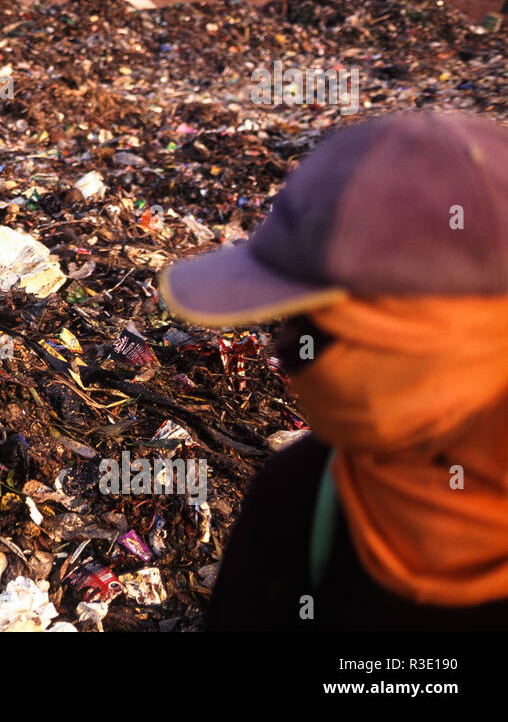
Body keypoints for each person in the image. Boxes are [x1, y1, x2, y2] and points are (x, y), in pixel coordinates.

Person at [158, 109, 508, 630]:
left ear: (437, 335)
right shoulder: (300, 496)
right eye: (285, 327)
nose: (286, 359)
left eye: (311, 335)